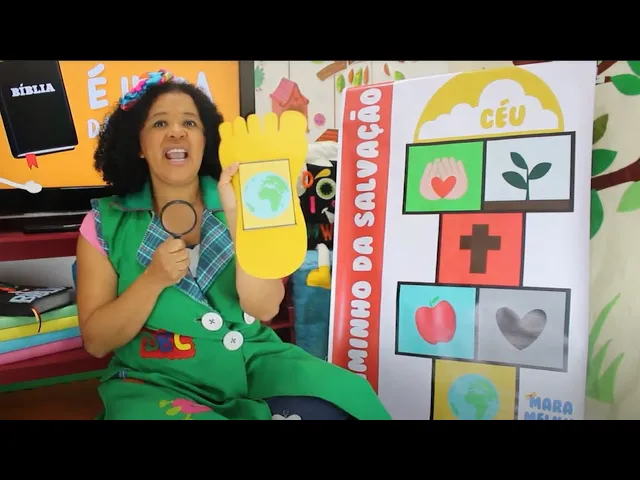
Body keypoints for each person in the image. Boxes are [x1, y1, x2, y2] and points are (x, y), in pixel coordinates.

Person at [75, 69, 391, 420]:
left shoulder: (248, 195)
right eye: (160, 123)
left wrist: (240, 222)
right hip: (156, 381)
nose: (177, 132)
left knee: (346, 398)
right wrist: (152, 281)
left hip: (255, 364)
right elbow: (97, 342)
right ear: (137, 144)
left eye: (190, 123)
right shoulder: (104, 223)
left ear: (205, 140)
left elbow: (265, 308)